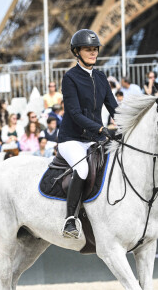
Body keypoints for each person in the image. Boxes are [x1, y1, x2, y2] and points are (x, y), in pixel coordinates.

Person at [58, 29, 118, 238]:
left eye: (95, 49)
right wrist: (101, 128)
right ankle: (70, 219)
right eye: (87, 49)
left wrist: (125, 124)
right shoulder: (70, 78)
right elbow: (74, 113)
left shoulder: (101, 77)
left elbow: (114, 107)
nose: (93, 53)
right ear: (77, 52)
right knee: (82, 169)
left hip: (95, 138)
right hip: (71, 139)